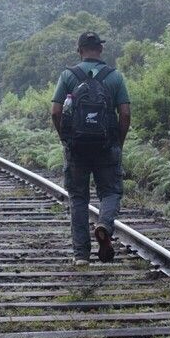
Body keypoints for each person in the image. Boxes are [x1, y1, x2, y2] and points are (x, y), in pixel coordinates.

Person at [51, 32, 131, 266]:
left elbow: (56, 112)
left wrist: (66, 139)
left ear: (79, 51)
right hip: (107, 146)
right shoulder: (114, 77)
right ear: (100, 50)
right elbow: (125, 114)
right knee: (111, 192)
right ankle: (104, 223)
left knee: (78, 198)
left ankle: (81, 256)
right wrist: (118, 141)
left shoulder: (68, 76)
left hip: (76, 148)